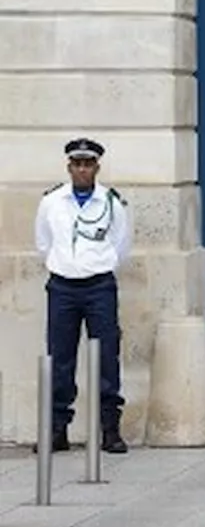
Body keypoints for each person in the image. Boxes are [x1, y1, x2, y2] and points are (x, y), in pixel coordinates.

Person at [33, 138, 132, 454]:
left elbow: (121, 245)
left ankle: (110, 429)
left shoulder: (111, 202)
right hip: (62, 286)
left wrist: (96, 266)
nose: (82, 169)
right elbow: (43, 242)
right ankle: (57, 428)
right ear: (69, 167)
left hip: (99, 286)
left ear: (97, 167)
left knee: (106, 357)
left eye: (88, 164)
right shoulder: (52, 202)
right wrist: (66, 265)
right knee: (59, 358)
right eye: (77, 164)